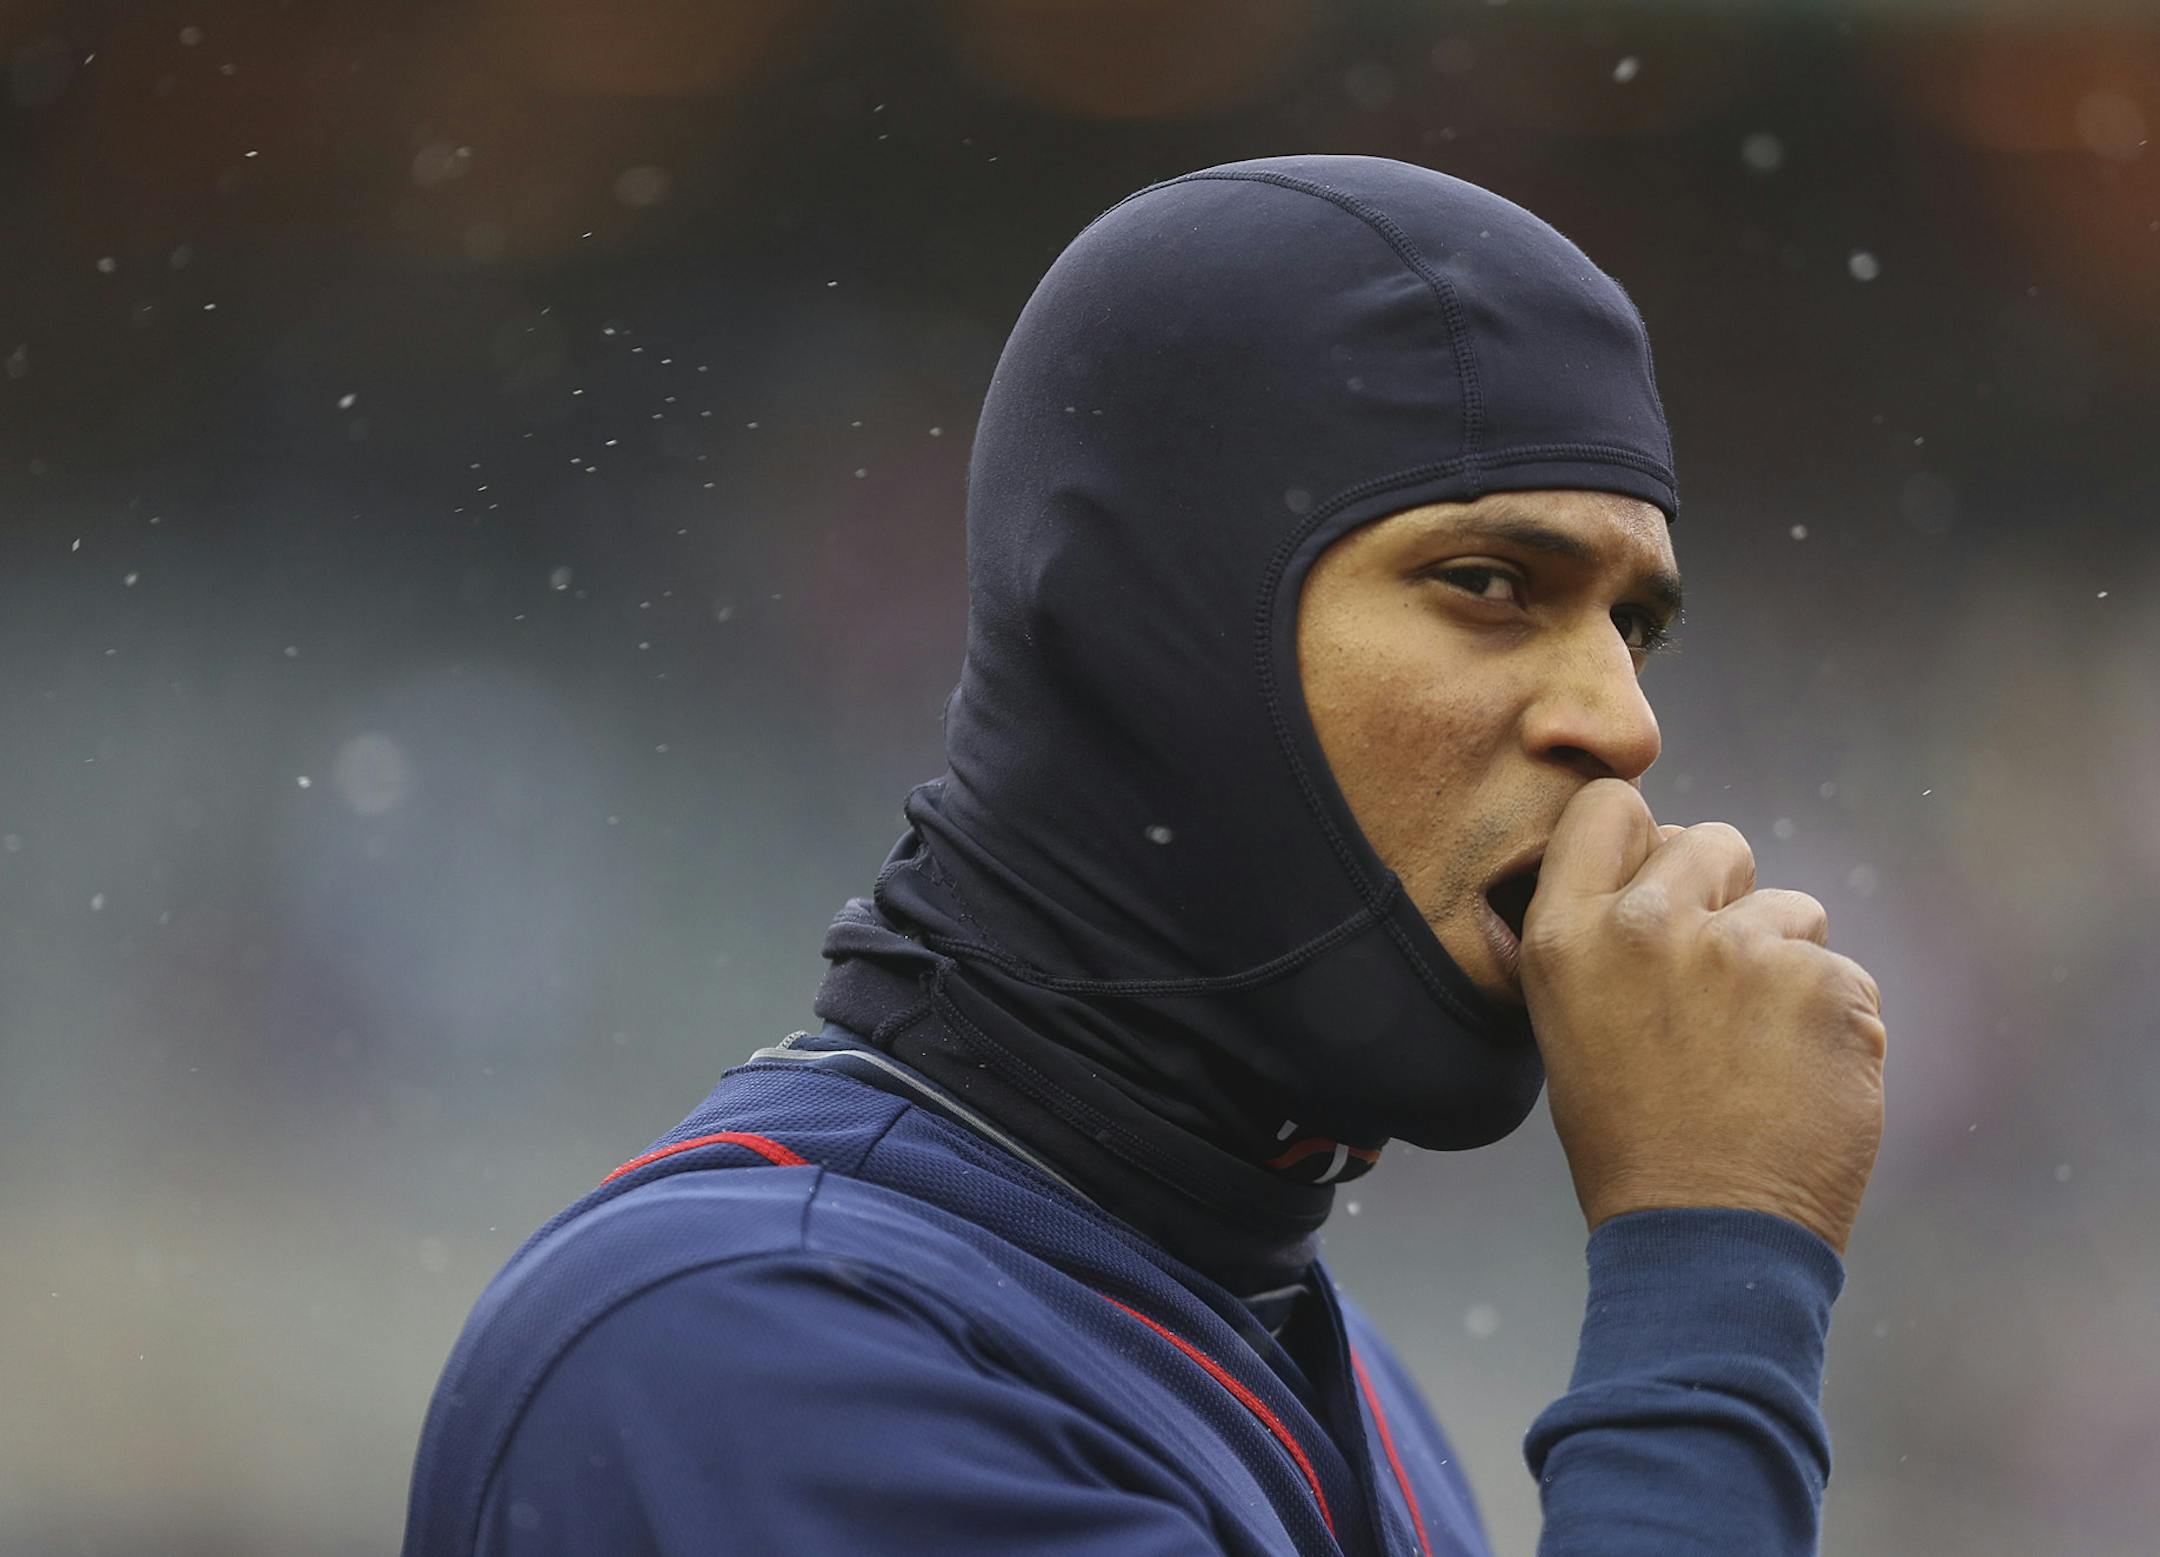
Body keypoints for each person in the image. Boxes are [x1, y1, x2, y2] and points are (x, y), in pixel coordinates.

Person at [400, 154, 1886, 1556]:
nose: (1622, 723)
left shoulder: (1328, 1368)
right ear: (1154, 631)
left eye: (1634, 626)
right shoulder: (738, 1341)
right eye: (1490, 582)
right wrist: (1709, 1274)